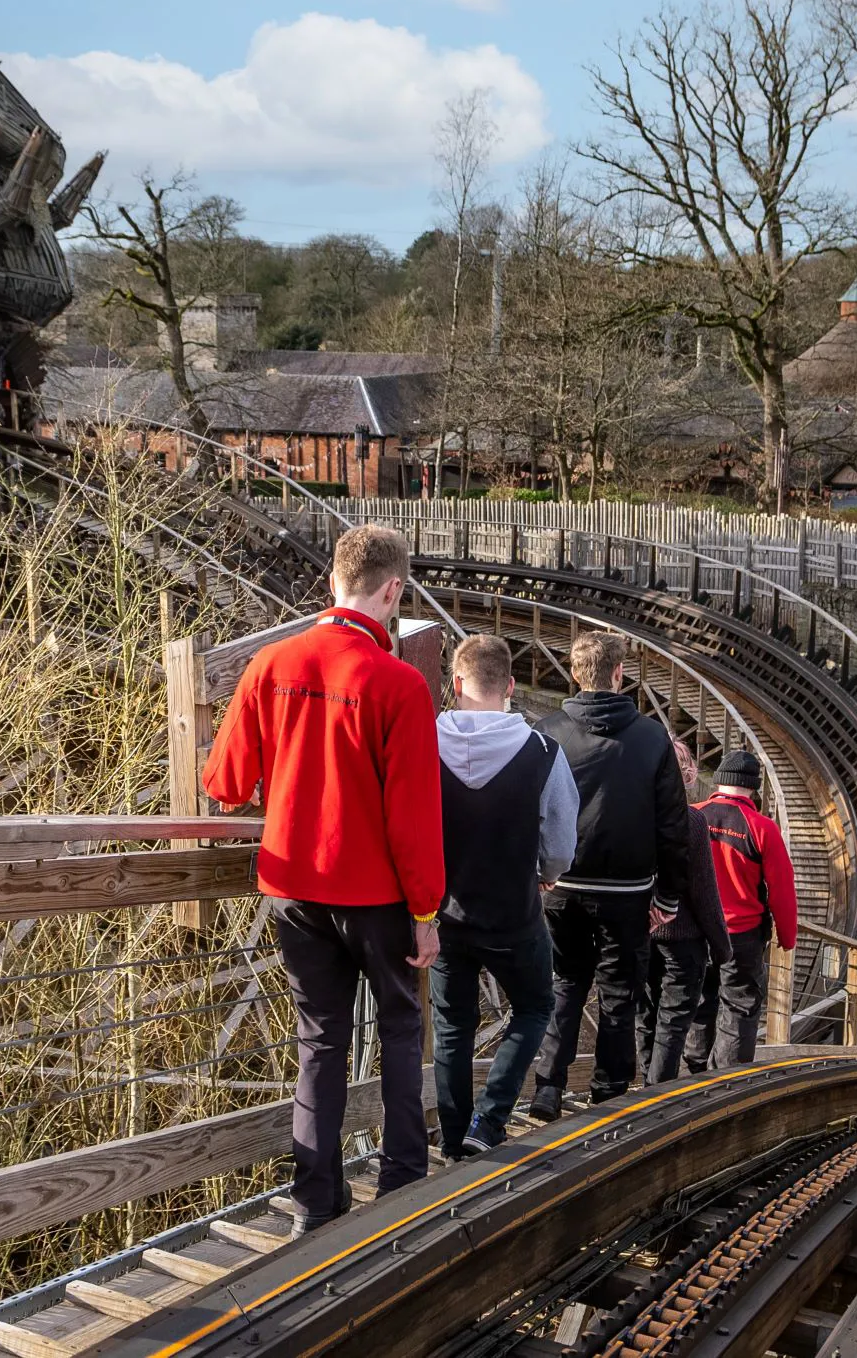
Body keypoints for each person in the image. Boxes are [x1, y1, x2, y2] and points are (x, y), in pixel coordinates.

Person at [201, 524, 442, 1234]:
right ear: (392, 591)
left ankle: (315, 1201)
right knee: (400, 1030)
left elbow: (225, 783)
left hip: (292, 887)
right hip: (375, 894)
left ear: (332, 583)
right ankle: (401, 1187)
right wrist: (425, 911)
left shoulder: (271, 663)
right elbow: (415, 819)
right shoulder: (397, 683)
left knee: (319, 1041)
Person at [530, 632, 694, 1120]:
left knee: (566, 983)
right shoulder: (651, 738)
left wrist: (539, 869)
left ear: (575, 674)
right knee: (621, 990)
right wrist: (669, 895)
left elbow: (531, 808)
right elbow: (673, 824)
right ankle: (610, 1091)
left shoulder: (547, 731)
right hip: (627, 890)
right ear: (620, 675)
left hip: (561, 885)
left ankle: (547, 1088)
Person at [432, 635, 578, 1157]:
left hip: (444, 915)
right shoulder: (542, 752)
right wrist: (547, 873)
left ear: (455, 685)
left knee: (452, 1026)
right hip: (514, 914)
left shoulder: (425, 744)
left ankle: (451, 1140)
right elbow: (561, 841)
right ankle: (488, 1122)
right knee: (537, 1005)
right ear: (511, 687)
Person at [698, 749, 798, 1066]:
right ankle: (726, 1084)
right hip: (740, 934)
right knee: (739, 1007)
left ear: (719, 781)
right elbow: (782, 890)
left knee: (696, 1002)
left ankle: (689, 1077)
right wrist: (787, 935)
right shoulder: (762, 827)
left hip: (694, 931)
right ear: (752, 787)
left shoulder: (694, 814)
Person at [637, 737, 728, 1084]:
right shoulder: (692, 821)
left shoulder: (633, 817)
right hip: (682, 938)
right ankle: (658, 1092)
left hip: (642, 933)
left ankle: (644, 1085)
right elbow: (705, 893)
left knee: (645, 1015)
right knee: (673, 1021)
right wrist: (721, 946)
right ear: (687, 775)